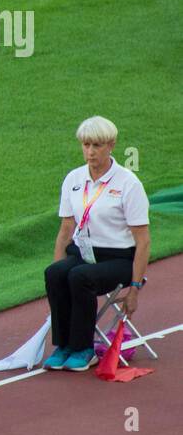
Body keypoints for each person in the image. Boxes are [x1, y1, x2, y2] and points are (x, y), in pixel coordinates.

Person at [43, 116, 150, 371]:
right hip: (84, 252)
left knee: (80, 277)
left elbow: (143, 240)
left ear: (111, 145)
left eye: (97, 146)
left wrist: (134, 288)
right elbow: (66, 229)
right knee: (55, 273)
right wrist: (59, 272)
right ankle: (64, 345)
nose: (90, 152)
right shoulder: (74, 179)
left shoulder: (128, 184)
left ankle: (84, 348)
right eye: (86, 145)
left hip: (119, 259)